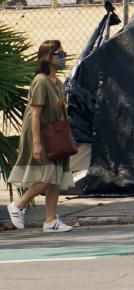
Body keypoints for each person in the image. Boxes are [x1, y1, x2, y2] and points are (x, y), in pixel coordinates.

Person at [6, 42, 74, 232]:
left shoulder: (57, 82)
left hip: (56, 133)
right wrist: (36, 143)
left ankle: (50, 220)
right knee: (48, 175)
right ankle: (18, 205)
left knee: (56, 176)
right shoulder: (41, 81)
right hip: (42, 133)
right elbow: (35, 114)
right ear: (48, 57)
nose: (63, 57)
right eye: (60, 53)